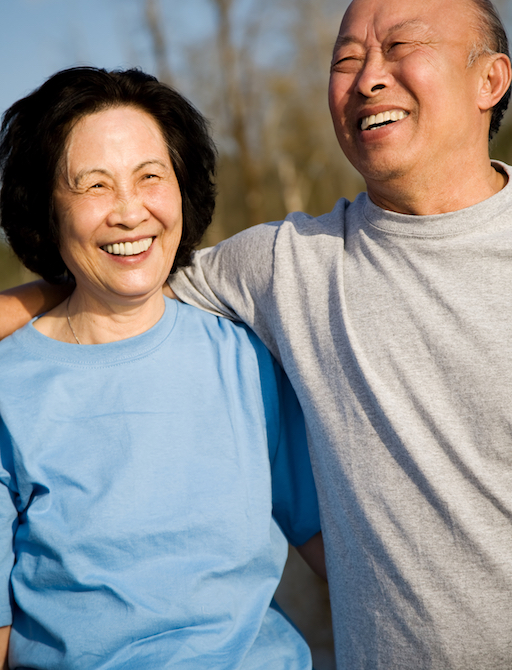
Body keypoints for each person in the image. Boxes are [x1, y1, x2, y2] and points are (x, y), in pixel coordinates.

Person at [2, 0, 512, 669]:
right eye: (346, 59)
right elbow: (131, 273)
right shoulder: (284, 265)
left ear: (492, 79)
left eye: (401, 46)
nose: (368, 78)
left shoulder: (245, 331)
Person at [0, 67, 324, 670]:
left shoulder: (246, 356)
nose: (129, 212)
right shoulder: (10, 390)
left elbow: (332, 545)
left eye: (151, 177)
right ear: (47, 209)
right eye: (94, 186)